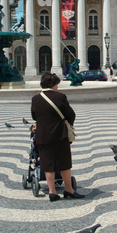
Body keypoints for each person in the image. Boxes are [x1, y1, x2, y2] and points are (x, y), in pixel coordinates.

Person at [31, 72, 84, 202]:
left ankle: (52, 192)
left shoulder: (35, 99)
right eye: (56, 85)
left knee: (48, 163)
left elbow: (34, 116)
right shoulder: (60, 97)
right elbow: (71, 114)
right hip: (60, 134)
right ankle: (68, 189)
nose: (57, 88)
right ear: (51, 84)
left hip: (42, 135)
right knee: (64, 162)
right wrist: (68, 124)